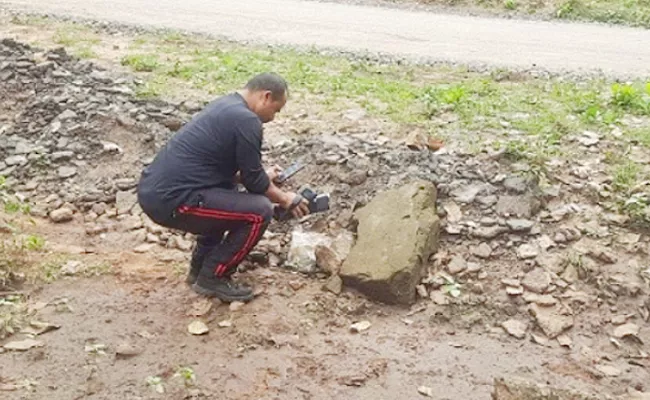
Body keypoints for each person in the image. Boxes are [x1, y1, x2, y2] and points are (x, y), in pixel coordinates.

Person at [136, 73, 310, 303]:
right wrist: (285, 199)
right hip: (173, 200)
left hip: (156, 192)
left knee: (226, 195)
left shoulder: (225, 105)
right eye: (276, 110)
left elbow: (233, 172)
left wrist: (263, 177)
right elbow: (255, 182)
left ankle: (198, 271)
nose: (274, 118)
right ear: (266, 97)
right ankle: (214, 277)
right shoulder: (247, 120)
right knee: (260, 211)